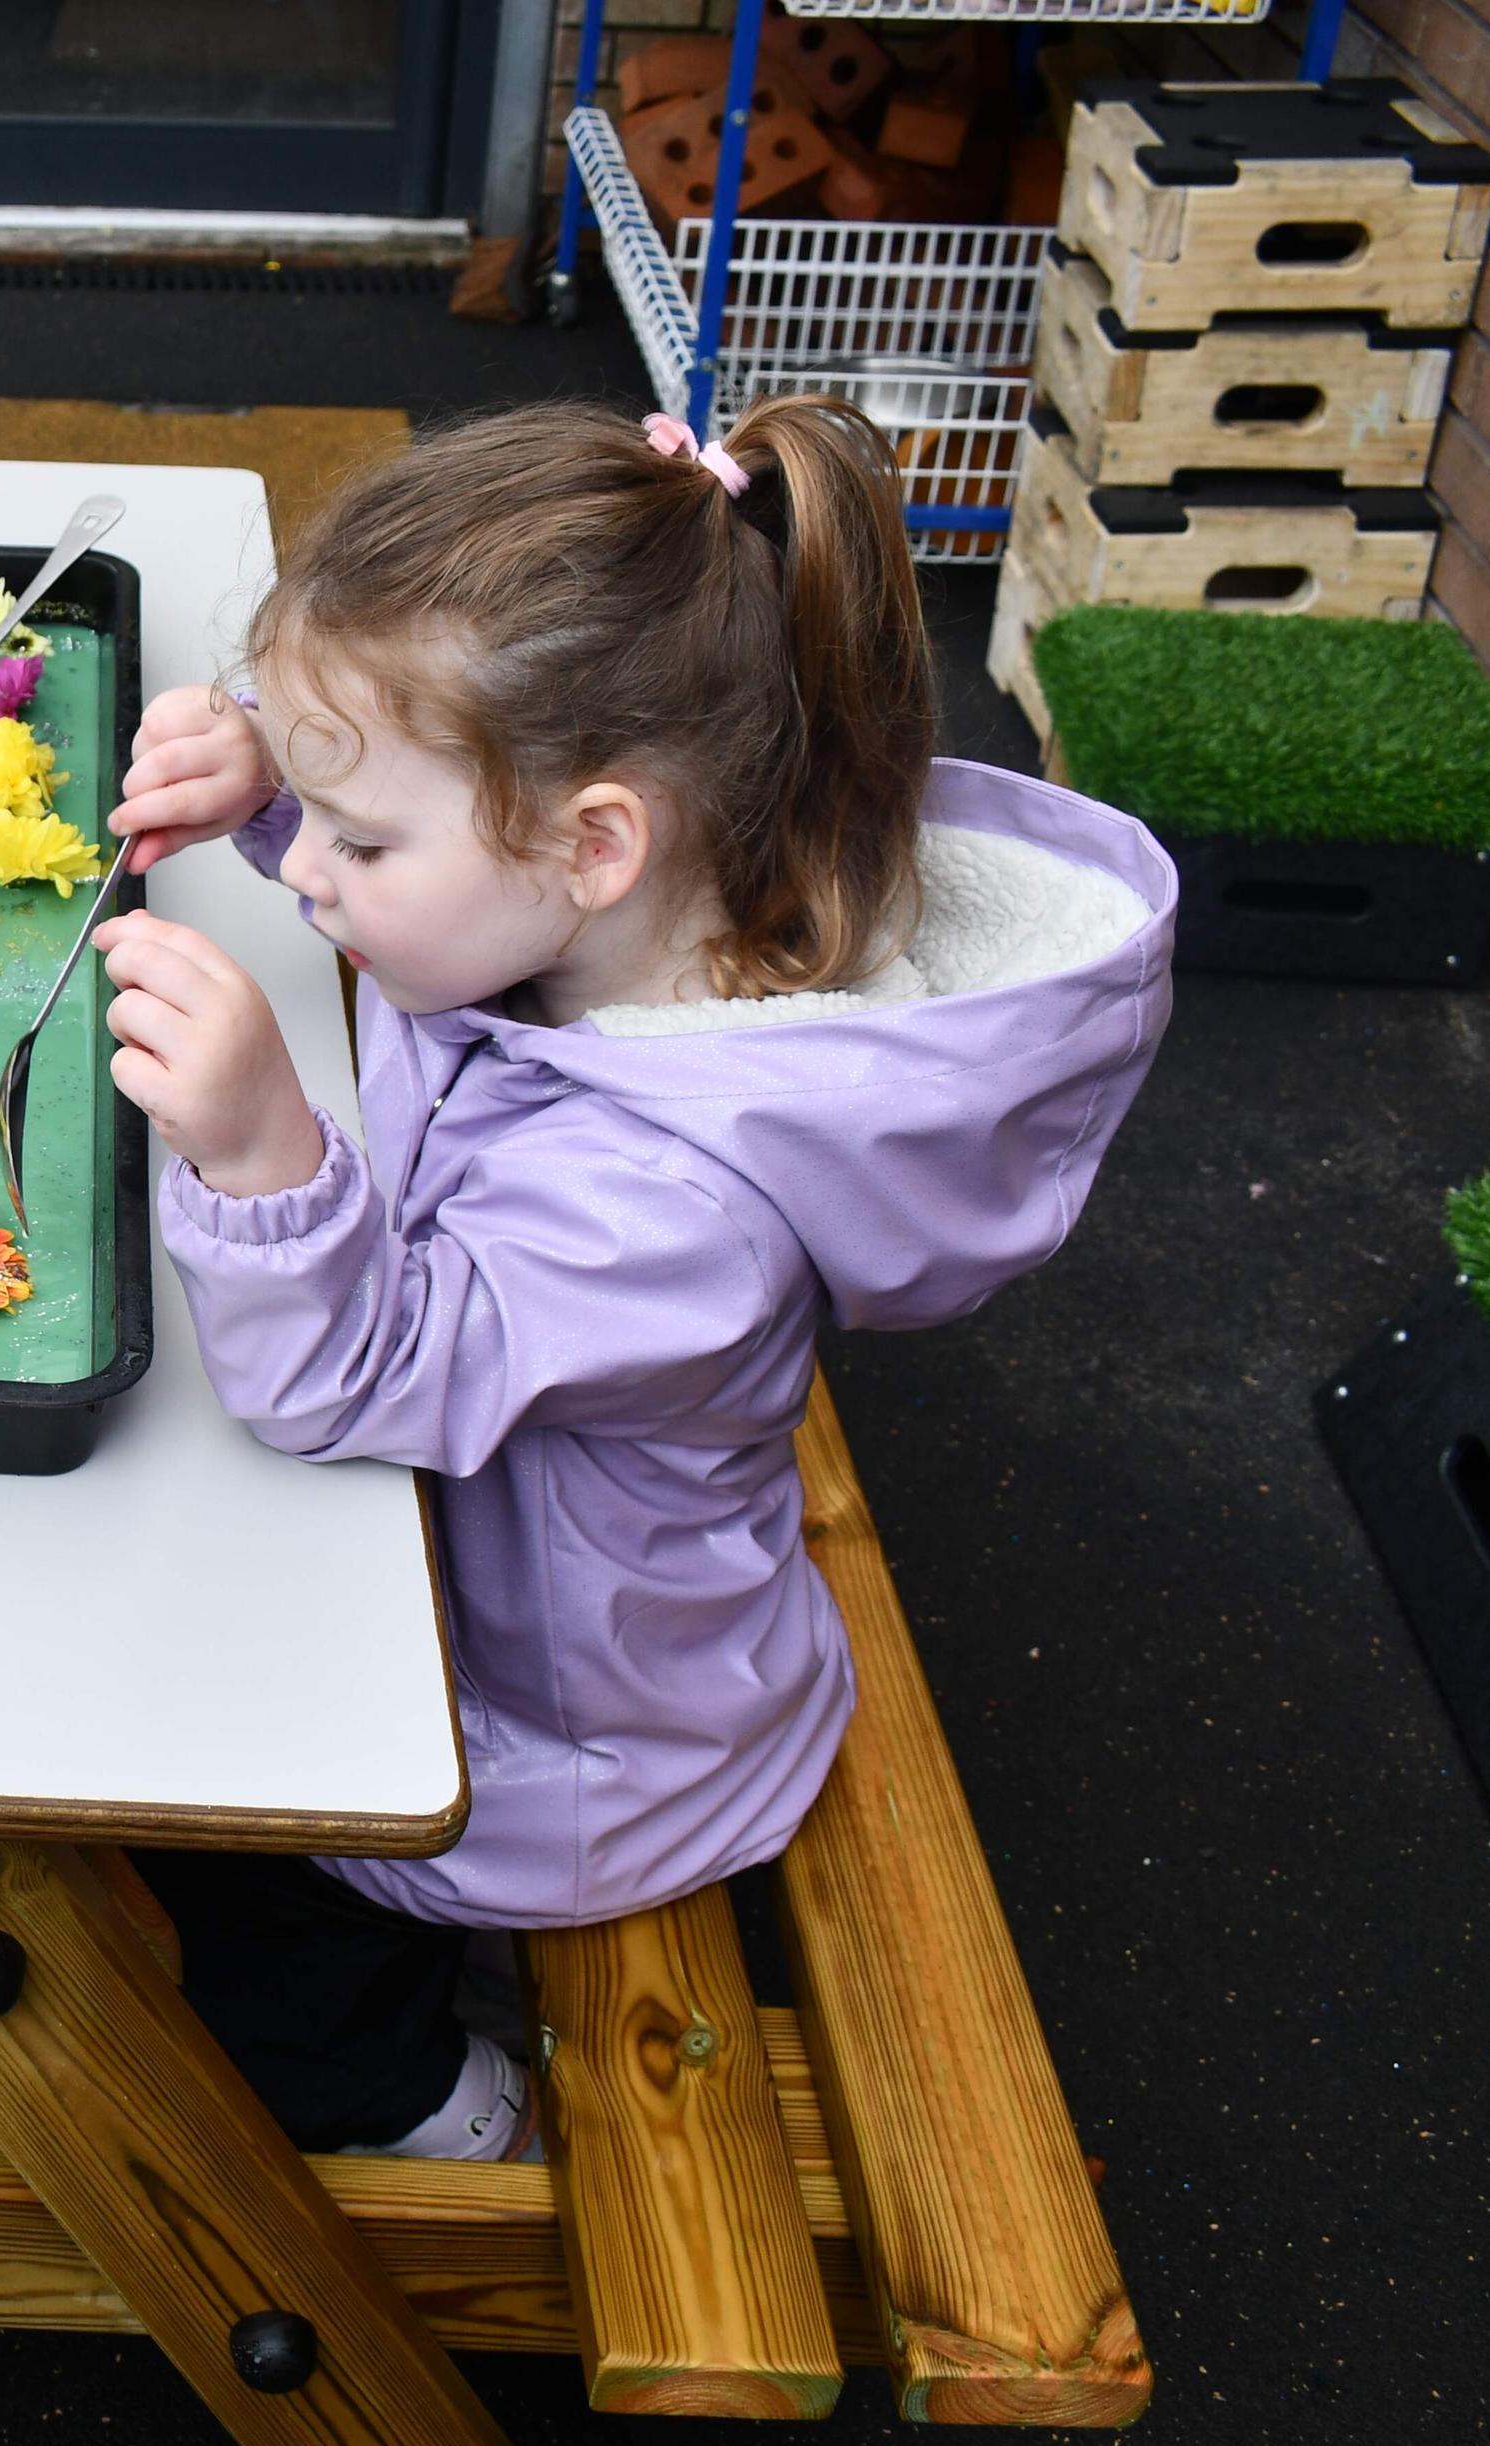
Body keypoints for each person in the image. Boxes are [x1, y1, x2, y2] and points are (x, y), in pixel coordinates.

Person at [96, 396, 1175, 2160]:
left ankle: (428, 2103)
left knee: (223, 1879)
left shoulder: (667, 1202)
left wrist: (263, 1154)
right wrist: (279, 777)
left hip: (570, 1741)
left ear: (598, 842)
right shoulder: (638, 918)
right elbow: (457, 872)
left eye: (359, 844)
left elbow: (363, 1376)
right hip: (551, 1609)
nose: (318, 877)